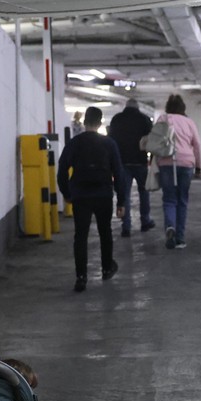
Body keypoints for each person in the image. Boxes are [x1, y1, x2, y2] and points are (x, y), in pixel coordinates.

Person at [57, 105, 125, 292]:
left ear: (85, 121)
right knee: (105, 233)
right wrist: (121, 201)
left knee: (81, 236)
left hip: (81, 195)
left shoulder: (74, 143)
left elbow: (62, 169)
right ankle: (106, 268)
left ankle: (81, 277)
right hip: (103, 194)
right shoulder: (109, 144)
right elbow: (119, 173)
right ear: (100, 122)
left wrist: (67, 193)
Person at [153, 94, 201, 250]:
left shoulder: (162, 119)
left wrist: (154, 163)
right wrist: (198, 166)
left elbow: (154, 141)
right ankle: (180, 239)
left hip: (166, 162)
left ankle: (170, 227)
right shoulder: (189, 122)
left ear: (168, 107)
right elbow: (197, 145)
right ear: (183, 108)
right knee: (182, 200)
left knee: (169, 199)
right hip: (186, 163)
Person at [107, 99, 156, 238]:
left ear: (126, 107)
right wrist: (152, 159)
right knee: (144, 192)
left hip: (122, 162)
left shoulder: (117, 119)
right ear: (138, 107)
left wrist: (111, 162)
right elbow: (151, 141)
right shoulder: (145, 119)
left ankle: (126, 226)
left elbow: (111, 141)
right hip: (140, 161)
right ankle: (145, 221)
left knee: (124, 194)